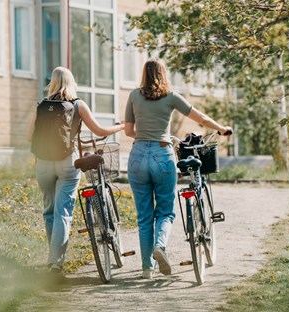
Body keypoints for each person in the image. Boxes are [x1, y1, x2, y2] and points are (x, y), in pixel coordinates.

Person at [124, 60, 232, 279]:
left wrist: (145, 138)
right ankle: (160, 246)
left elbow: (128, 131)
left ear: (144, 74)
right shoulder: (171, 96)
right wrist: (221, 129)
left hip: (137, 156)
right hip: (162, 155)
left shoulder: (134, 96)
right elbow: (199, 117)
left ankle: (147, 269)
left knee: (144, 217)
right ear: (163, 74)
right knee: (165, 211)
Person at [28, 66, 124, 276]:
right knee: (63, 213)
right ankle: (55, 264)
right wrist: (120, 127)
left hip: (43, 163)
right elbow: (99, 130)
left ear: (52, 82)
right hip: (67, 163)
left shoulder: (42, 106)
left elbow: (30, 137)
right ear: (71, 82)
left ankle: (52, 259)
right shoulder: (77, 104)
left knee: (49, 212)